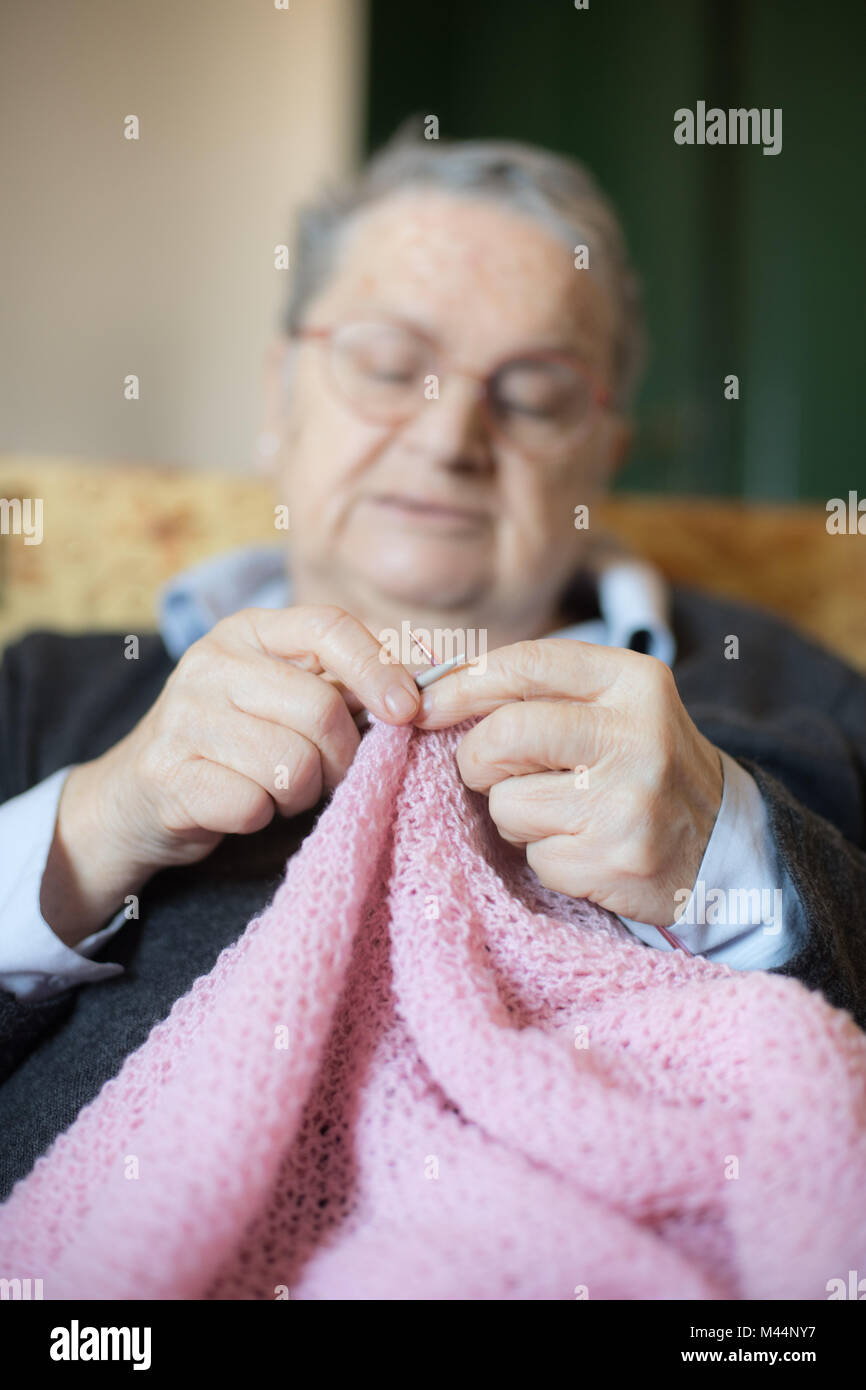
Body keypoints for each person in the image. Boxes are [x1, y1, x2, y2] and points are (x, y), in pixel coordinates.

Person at [1, 129, 865, 1200]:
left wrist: (738, 863)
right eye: (387, 363)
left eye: (536, 391)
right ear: (279, 396)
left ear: (603, 446)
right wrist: (88, 834)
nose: (449, 434)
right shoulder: (44, 693)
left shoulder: (798, 694)